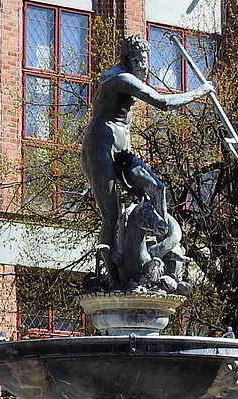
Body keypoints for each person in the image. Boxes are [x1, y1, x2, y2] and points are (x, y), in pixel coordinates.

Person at [80, 35, 213, 290]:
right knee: (111, 215)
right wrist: (200, 92)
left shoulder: (128, 75)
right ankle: (114, 278)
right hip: (101, 145)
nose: (146, 67)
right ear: (129, 60)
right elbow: (162, 102)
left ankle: (161, 247)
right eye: (141, 61)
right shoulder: (120, 78)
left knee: (156, 187)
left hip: (122, 148)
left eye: (147, 61)